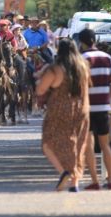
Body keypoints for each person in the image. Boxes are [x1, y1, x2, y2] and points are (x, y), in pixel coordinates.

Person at [36, 39, 91, 192]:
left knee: (48, 143)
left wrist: (40, 79)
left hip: (59, 110)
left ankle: (64, 172)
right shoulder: (83, 67)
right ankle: (75, 183)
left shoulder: (55, 69)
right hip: (82, 109)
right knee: (78, 145)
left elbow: (41, 90)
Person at [78, 29, 111, 190]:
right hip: (103, 107)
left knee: (89, 144)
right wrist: (107, 96)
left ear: (81, 42)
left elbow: (80, 83)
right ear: (94, 40)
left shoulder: (82, 58)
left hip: (87, 107)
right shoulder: (107, 57)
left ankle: (95, 181)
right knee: (105, 145)